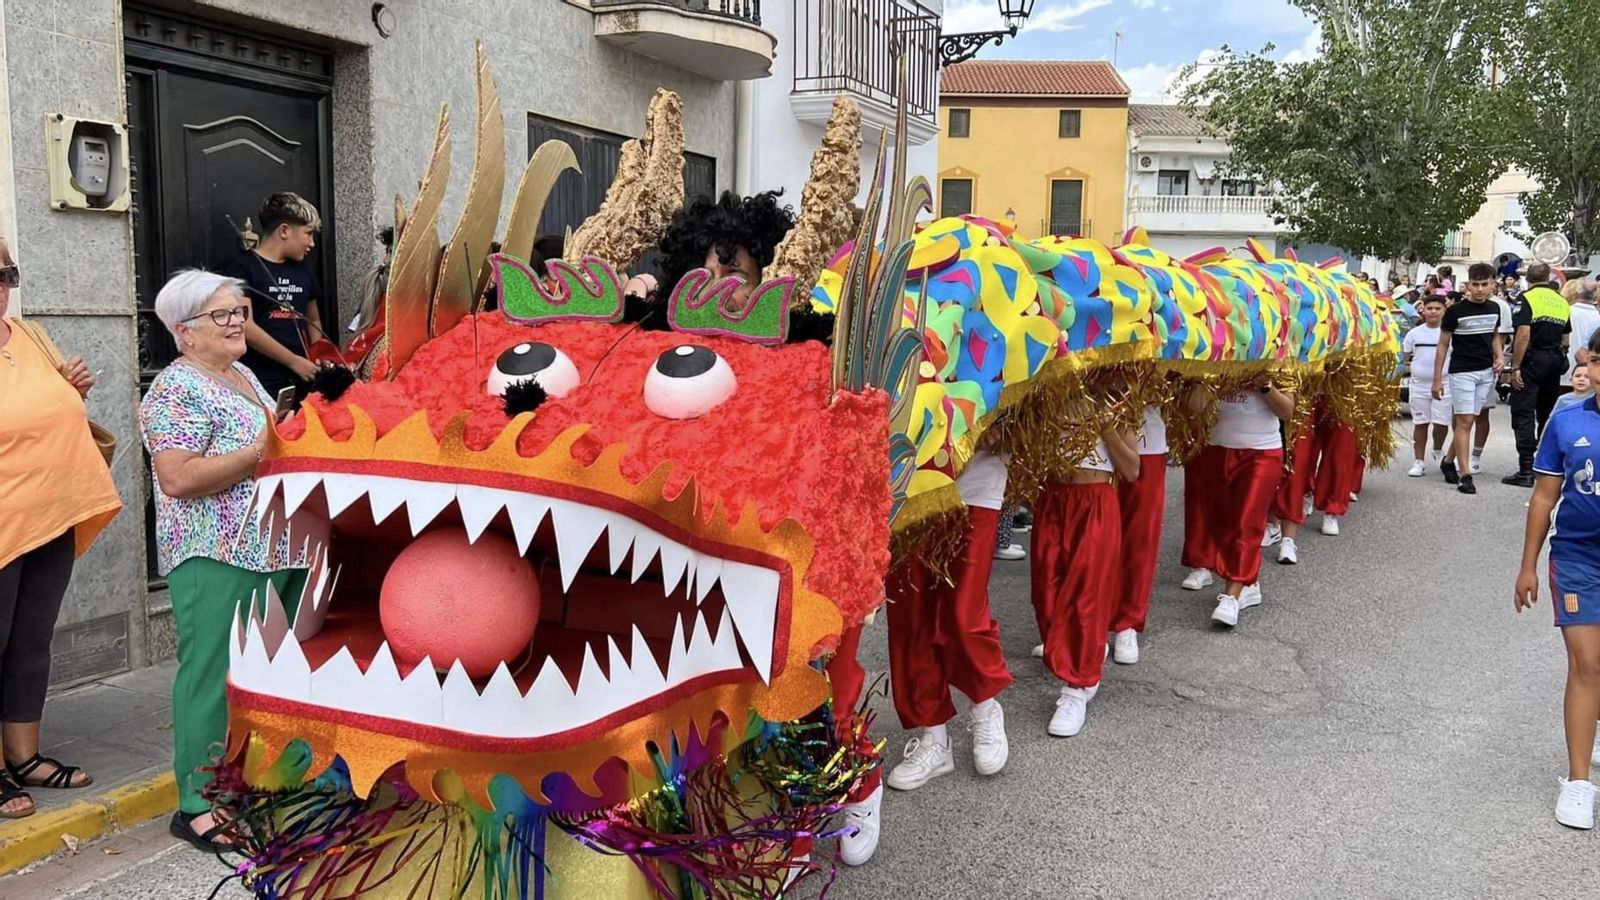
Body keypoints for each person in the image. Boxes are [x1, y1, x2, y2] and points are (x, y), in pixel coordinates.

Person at [140, 270, 301, 849]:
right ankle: (197, 804)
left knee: (263, 674)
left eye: (239, 311)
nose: (238, 322)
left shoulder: (242, 374)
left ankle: (255, 782)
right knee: (211, 677)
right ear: (183, 332)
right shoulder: (174, 389)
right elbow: (178, 478)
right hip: (214, 551)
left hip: (272, 545)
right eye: (222, 315)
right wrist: (264, 450)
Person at [0, 238, 121, 819]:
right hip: (3, 522)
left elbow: (44, 408)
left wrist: (70, 390)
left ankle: (23, 756)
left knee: (30, 642)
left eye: (6, 273)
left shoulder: (27, 335)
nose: (0, 286)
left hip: (52, 512)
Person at [884, 450, 1012, 789]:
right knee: (909, 613)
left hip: (977, 482)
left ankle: (985, 707)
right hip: (907, 483)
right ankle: (934, 736)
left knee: (963, 612)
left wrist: (1003, 423)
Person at [1514, 331, 1600, 829]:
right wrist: (1528, 564)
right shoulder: (1567, 418)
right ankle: (1579, 781)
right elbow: (1545, 497)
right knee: (1587, 663)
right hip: (1578, 557)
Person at [1031, 427, 1140, 736]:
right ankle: (1086, 651)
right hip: (1052, 499)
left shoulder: (1118, 400)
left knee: (1086, 596)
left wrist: (1107, 427)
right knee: (1045, 594)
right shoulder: (1050, 393)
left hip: (1095, 502)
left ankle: (1077, 688)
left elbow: (1132, 470)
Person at [1185, 375, 1294, 627]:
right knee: (1222, 523)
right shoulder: (1212, 353)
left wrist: (1264, 385)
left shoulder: (1277, 353)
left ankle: (1231, 596)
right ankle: (1249, 583)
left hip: (1261, 451)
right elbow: (1194, 408)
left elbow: (1287, 410)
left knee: (1246, 523)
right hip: (1215, 448)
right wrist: (1205, 380)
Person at [218, 192, 325, 400]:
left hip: (304, 378)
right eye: (308, 233)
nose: (311, 243)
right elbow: (245, 325)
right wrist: (293, 361)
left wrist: (317, 353)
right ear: (284, 230)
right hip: (260, 380)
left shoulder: (303, 270)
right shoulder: (241, 268)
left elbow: (313, 319)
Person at [1434, 263, 1507, 494]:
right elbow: (1443, 345)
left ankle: (1448, 461)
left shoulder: (1495, 308)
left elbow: (1495, 335)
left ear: (1493, 284)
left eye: (1484, 284)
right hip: (1462, 371)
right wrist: (1437, 379)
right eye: (1475, 284)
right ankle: (1464, 474)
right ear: (1467, 285)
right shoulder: (1455, 311)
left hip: (1486, 371)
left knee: (1470, 420)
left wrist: (1499, 356)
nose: (1479, 289)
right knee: (1465, 421)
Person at [1108, 404, 1168, 663]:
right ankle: (1072, 624)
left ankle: (1126, 622)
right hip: (1083, 442)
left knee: (1138, 537)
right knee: (1081, 538)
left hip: (1146, 446)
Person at [1504, 263, 1572, 486]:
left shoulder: (1527, 298)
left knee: (1523, 412)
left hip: (1532, 360)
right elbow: (1566, 339)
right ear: (1548, 277)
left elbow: (1523, 333)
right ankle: (1545, 465)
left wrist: (1515, 367)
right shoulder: (1561, 302)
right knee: (1546, 413)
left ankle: (1525, 470)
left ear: (1528, 278)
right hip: (1553, 360)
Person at [1405, 294, 1453, 475]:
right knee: (1420, 422)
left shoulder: (1449, 333)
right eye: (1429, 308)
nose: (1433, 312)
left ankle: (1438, 451)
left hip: (1444, 384)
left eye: (1437, 309)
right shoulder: (1414, 334)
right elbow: (1405, 358)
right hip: (1418, 385)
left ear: (1444, 311)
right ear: (1423, 311)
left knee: (1441, 422)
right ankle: (1418, 461)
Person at [1564, 277, 1600, 393]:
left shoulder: (1565, 312)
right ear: (1595, 296)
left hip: (1562, 372)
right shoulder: (1598, 318)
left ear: (1577, 294)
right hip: (1589, 379)